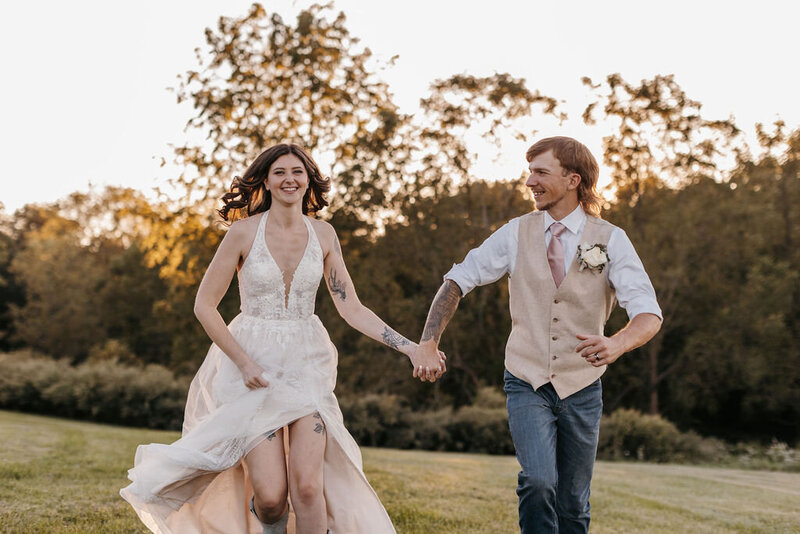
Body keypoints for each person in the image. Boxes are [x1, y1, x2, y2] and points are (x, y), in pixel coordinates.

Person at [121, 143, 439, 534]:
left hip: (307, 365)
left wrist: (410, 347)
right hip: (253, 366)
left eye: (298, 172)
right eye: (280, 173)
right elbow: (204, 306)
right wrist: (244, 362)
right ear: (266, 182)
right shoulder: (242, 233)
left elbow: (351, 308)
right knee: (271, 498)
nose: (290, 179)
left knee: (308, 488)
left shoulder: (324, 234)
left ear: (309, 181)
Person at [413, 136, 662, 533]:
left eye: (540, 172)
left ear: (573, 179)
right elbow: (457, 279)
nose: (530, 181)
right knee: (538, 481)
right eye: (530, 172)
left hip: (583, 388)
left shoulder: (611, 239)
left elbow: (648, 313)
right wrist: (429, 341)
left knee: (573, 505)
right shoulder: (515, 233)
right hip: (526, 380)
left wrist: (617, 343)